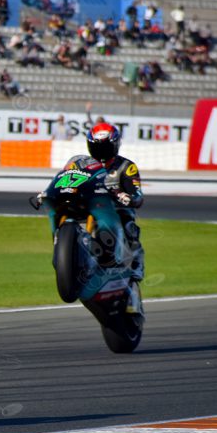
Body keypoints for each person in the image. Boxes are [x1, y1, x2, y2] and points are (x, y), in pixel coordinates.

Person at [85, 123, 144, 314]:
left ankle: (134, 270)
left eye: (105, 146)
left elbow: (137, 194)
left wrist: (129, 197)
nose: (101, 151)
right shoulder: (84, 165)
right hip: (90, 210)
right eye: (97, 146)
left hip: (116, 211)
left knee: (129, 227)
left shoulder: (126, 167)